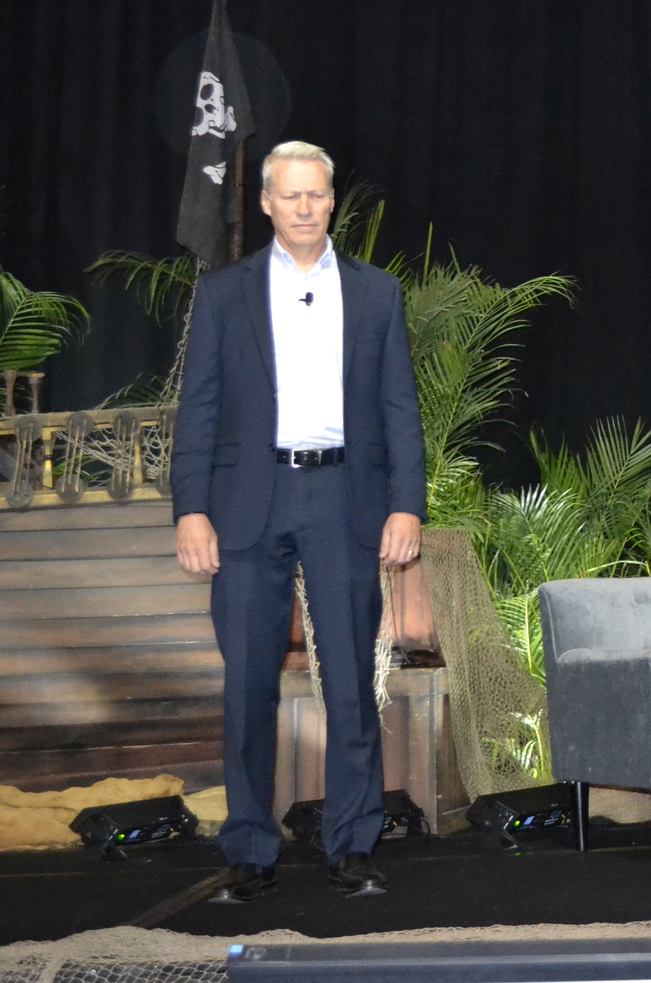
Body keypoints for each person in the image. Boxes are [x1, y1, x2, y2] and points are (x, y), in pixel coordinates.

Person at [172, 140, 425, 903]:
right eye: (292, 196)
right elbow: (200, 410)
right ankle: (250, 849)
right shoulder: (224, 294)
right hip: (248, 502)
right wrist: (190, 510)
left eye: (318, 195)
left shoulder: (376, 293)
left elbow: (398, 408)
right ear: (266, 204)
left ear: (330, 200)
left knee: (349, 680)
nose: (307, 207)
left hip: (343, 495)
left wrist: (406, 502)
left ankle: (353, 844)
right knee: (247, 683)